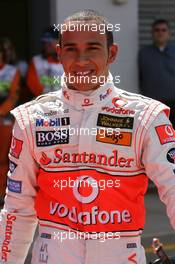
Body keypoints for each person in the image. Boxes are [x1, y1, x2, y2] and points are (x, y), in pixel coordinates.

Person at [0, 9, 175, 264]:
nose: (81, 60)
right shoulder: (31, 119)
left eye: (92, 48)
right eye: (71, 49)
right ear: (59, 54)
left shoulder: (146, 117)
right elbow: (17, 208)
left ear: (111, 53)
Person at [138, 19, 175, 127]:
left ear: (169, 33)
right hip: (153, 104)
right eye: (157, 30)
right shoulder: (144, 53)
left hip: (174, 101)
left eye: (164, 30)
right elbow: (141, 77)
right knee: (157, 135)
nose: (160, 33)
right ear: (152, 33)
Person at [0, 39, 20, 202]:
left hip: (4, 120)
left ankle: (2, 194)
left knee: (4, 158)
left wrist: (1, 111)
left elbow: (14, 95)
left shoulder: (12, 71)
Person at [27, 27, 64, 97]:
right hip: (42, 101)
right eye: (44, 42)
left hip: (65, 101)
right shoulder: (36, 61)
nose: (47, 45)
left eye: (50, 42)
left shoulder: (68, 60)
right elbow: (32, 84)